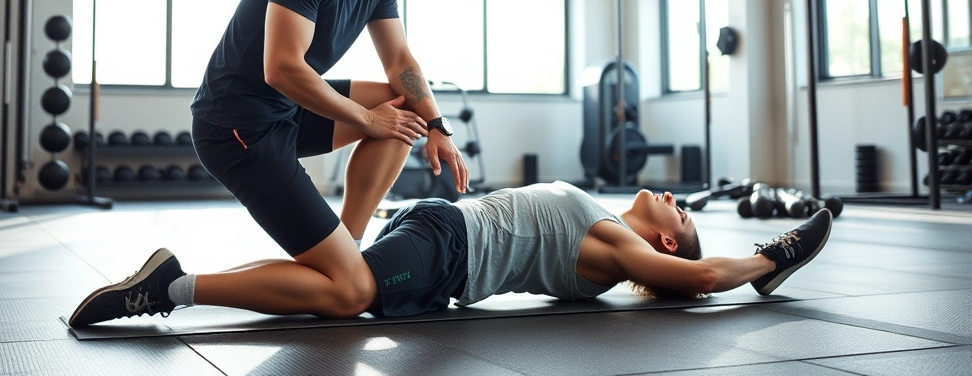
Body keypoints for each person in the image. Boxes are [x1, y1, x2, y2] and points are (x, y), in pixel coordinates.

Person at [185, 0, 470, 313]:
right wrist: (366, 119)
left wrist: (437, 124)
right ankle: (173, 287)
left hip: (284, 113)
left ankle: (348, 246)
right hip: (236, 128)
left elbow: (399, 61)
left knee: (405, 108)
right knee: (351, 293)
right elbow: (281, 67)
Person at [68, 182, 833, 326]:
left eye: (682, 214)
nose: (677, 200)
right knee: (343, 291)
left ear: (663, 239)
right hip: (440, 239)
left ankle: (170, 287)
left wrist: (774, 258)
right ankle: (171, 289)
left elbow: (700, 274)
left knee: (339, 290)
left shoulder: (620, 243)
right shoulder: (607, 217)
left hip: (444, 253)